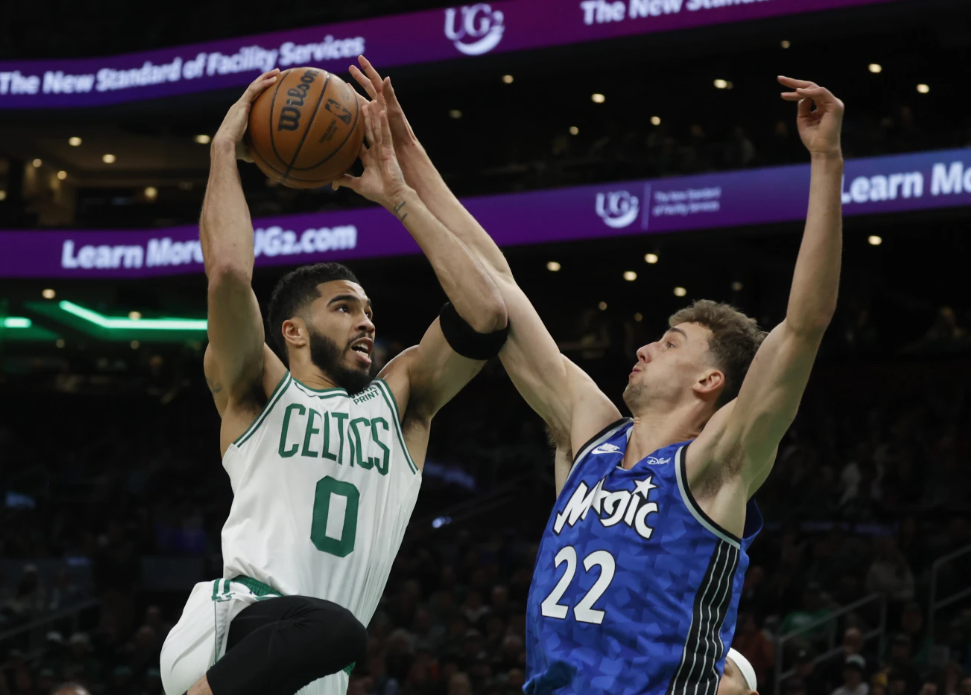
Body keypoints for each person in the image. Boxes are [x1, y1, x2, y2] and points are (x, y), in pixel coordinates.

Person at [349, 56, 844, 695]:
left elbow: (804, 325)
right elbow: (497, 282)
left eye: (670, 343)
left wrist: (826, 160)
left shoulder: (715, 465)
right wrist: (405, 171)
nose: (643, 348)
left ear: (709, 382)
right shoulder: (591, 439)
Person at [159, 70, 509, 695]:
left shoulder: (401, 402)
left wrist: (400, 198)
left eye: (369, 311)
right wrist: (223, 151)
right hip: (235, 626)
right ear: (292, 331)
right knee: (335, 627)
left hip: (320, 670)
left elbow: (486, 313)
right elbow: (229, 274)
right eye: (344, 308)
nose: (366, 322)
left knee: (337, 634)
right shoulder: (258, 388)